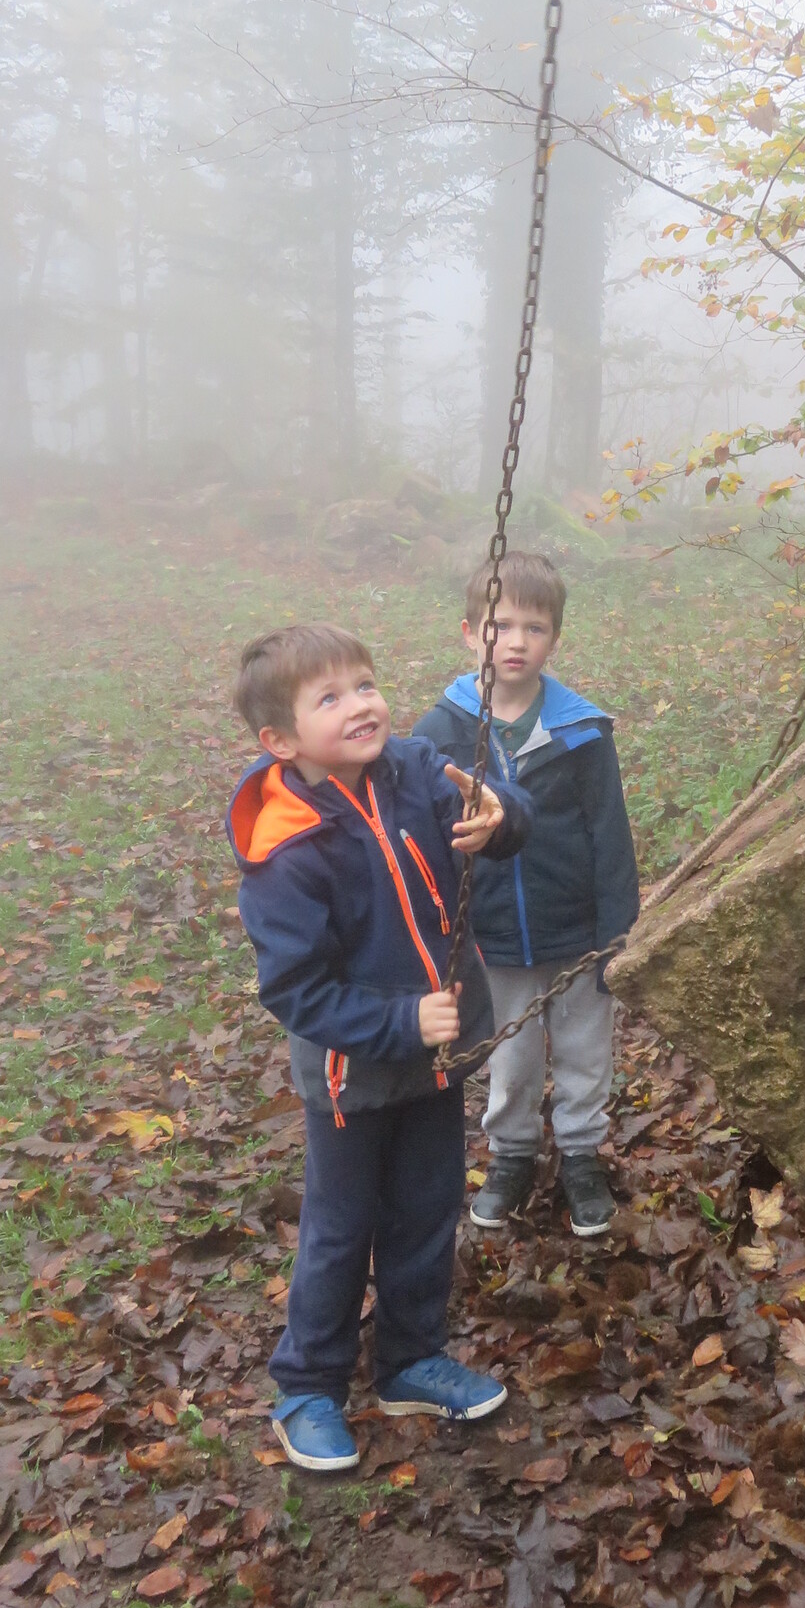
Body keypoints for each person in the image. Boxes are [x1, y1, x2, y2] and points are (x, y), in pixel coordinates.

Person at [227, 620, 531, 1473]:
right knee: (340, 1228)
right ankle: (308, 1387)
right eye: (330, 698)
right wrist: (400, 1023)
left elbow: (497, 811)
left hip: (437, 1059)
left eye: (365, 684)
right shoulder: (288, 846)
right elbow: (295, 989)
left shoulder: (412, 770)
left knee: (426, 1209)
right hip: (352, 1077)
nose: (361, 705)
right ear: (282, 741)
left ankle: (408, 1359)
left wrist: (501, 816)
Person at [415, 553, 639, 1240]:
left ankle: (581, 1154)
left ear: (554, 639)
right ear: (469, 633)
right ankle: (511, 1154)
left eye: (534, 628)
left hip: (576, 928)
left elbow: (610, 834)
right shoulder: (439, 733)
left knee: (583, 1050)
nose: (515, 642)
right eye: (500, 625)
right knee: (509, 1057)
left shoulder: (582, 732)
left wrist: (617, 933)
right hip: (491, 936)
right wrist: (438, 939)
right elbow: (423, 843)